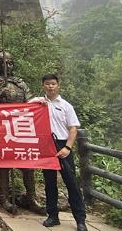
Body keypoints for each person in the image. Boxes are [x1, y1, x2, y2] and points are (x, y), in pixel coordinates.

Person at [0, 51, 44, 214]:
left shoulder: (20, 83)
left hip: (20, 127)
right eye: (5, 63)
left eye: (11, 63)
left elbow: (30, 101)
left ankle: (31, 198)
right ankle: (3, 198)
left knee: (27, 165)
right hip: (2, 129)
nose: (8, 66)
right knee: (4, 165)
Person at [30, 74, 87, 231]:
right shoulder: (38, 103)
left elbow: (73, 128)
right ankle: (52, 216)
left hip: (62, 145)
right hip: (45, 145)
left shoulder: (66, 106)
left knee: (71, 183)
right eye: (47, 84)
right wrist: (35, 102)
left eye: (53, 84)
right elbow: (24, 110)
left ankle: (80, 220)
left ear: (58, 85)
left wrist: (67, 148)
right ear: (43, 86)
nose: (50, 86)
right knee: (49, 183)